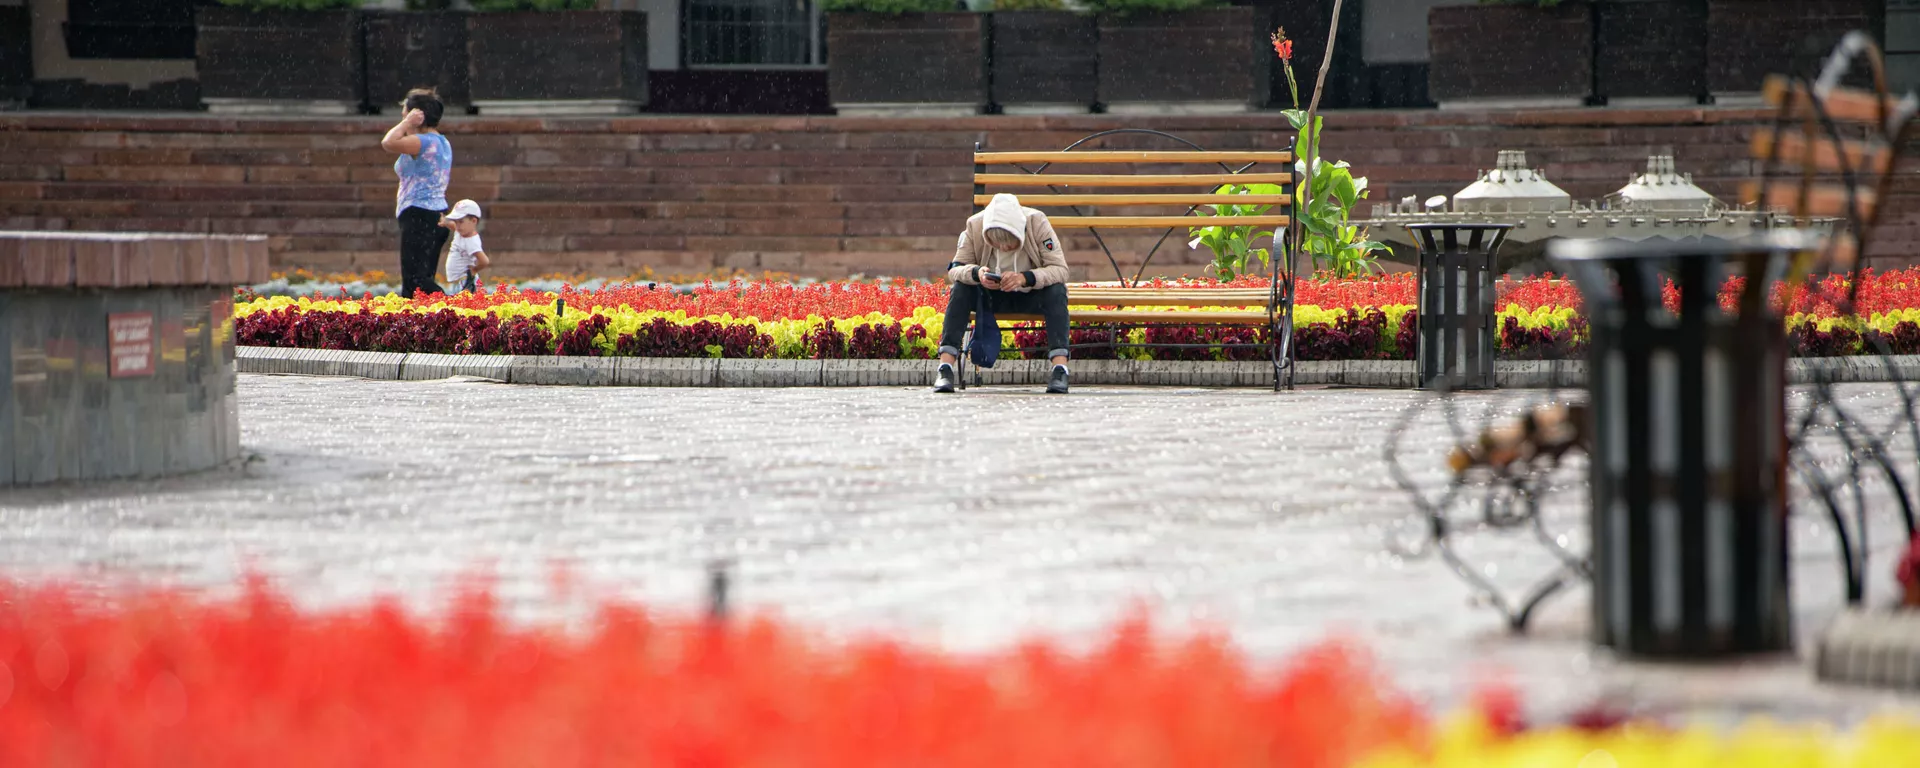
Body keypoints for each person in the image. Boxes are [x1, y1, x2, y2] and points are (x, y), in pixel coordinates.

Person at [935, 193, 1072, 394]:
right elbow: (955, 269)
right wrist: (977, 273)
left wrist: (1025, 278)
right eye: (997, 243)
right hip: (990, 297)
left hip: (1030, 295)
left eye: (1009, 242)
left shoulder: (1037, 222)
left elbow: (1060, 270)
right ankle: (945, 368)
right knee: (960, 289)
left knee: (1057, 291)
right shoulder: (975, 225)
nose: (1004, 247)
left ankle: (1060, 370)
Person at [381, 88, 453, 299]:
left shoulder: (423, 142)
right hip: (434, 215)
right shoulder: (440, 141)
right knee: (421, 282)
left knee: (415, 283)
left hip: (419, 215)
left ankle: (455, 310)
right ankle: (430, 317)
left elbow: (388, 143)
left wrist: (405, 124)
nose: (402, 115)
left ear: (417, 115)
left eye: (405, 111)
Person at [438, 199, 490, 294]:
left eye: (461, 222)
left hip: (465, 281)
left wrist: (474, 270)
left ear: (474, 221)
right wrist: (446, 222)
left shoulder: (471, 241)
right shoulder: (461, 231)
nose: (457, 226)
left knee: (465, 301)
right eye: (456, 222)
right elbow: (454, 226)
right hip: (458, 280)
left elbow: (484, 261)